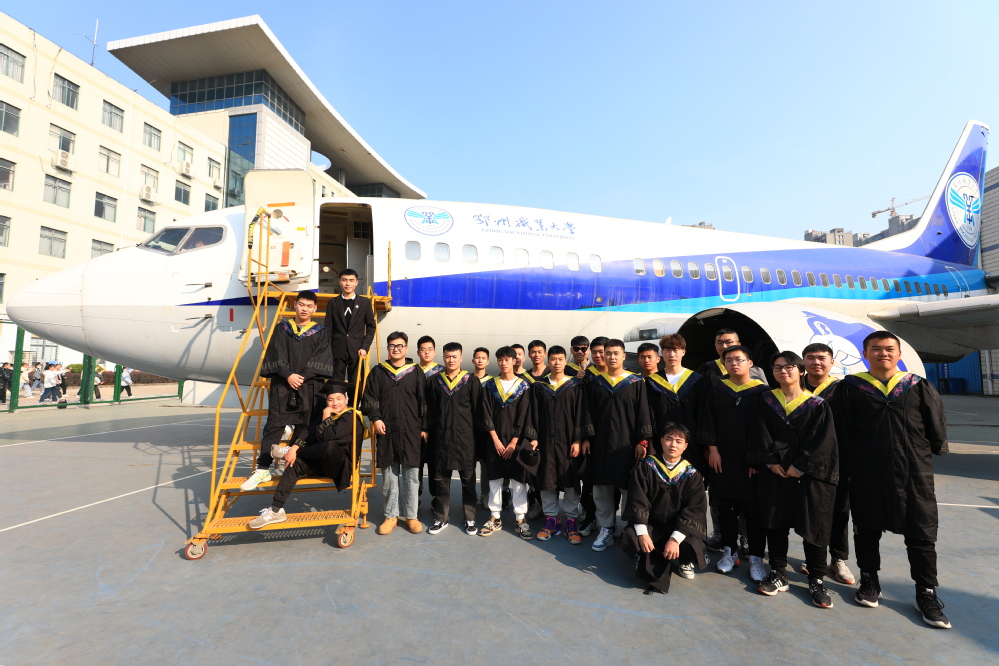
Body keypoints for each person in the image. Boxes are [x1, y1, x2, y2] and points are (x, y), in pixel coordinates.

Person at [833, 331, 952, 629]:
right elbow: (841, 431)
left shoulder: (918, 386)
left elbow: (935, 426)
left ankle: (926, 592)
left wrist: (936, 447)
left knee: (921, 531)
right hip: (867, 469)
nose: (883, 353)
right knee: (866, 527)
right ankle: (869, 580)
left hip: (913, 472)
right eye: (876, 349)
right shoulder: (850, 388)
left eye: (889, 349)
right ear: (865, 354)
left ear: (899, 354)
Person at [748, 351, 839, 608]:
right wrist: (770, 462)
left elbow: (823, 441)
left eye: (789, 367)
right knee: (775, 522)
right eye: (777, 367)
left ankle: (817, 579)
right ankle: (779, 573)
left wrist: (800, 466)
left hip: (807, 477)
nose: (783, 371)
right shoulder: (765, 401)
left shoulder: (817, 405)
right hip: (775, 473)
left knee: (814, 525)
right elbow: (759, 433)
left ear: (801, 371)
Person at [240, 291, 334, 491]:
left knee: (305, 426)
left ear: (315, 309)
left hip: (309, 386)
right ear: (295, 305)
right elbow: (276, 353)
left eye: (309, 306)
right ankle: (262, 468)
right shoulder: (282, 328)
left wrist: (303, 376)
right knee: (274, 425)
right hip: (283, 385)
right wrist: (288, 375)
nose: (305, 309)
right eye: (301, 304)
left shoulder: (320, 332)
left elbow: (321, 358)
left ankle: (296, 466)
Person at [249, 384, 366, 528]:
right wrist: (294, 448)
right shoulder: (328, 414)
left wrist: (326, 414)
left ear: (346, 400)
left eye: (339, 398)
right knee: (294, 463)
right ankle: (276, 509)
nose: (335, 403)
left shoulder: (352, 417)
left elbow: (328, 436)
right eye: (330, 400)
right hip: (322, 464)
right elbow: (308, 432)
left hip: (340, 467)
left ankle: (287, 452)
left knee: (329, 446)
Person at [699, 345, 770, 581]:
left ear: (750, 363)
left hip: (751, 463)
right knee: (725, 508)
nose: (734, 364)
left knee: (753, 512)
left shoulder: (763, 392)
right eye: (728, 361)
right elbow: (708, 421)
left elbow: (765, 430)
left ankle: (756, 557)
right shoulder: (718, 390)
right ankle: (729, 551)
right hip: (723, 459)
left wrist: (756, 459)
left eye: (739, 359)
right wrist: (712, 450)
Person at [619, 423, 708, 594]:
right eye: (669, 439)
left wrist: (675, 539)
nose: (673, 445)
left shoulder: (692, 474)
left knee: (693, 543)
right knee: (632, 535)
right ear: (661, 441)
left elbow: (694, 510)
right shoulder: (646, 466)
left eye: (678, 441)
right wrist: (643, 534)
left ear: (685, 446)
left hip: (678, 526)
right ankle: (642, 554)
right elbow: (638, 500)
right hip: (652, 524)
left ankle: (685, 560)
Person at [584, 338, 653, 552]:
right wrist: (586, 437)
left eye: (616, 353)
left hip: (627, 445)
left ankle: (629, 529)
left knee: (629, 489)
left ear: (624, 356)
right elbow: (587, 413)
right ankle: (606, 528)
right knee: (601, 489)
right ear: (603, 356)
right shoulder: (596, 383)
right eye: (608, 353)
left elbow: (643, 414)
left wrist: (642, 441)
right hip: (600, 444)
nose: (612, 357)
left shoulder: (635, 382)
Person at [525, 345, 593, 544]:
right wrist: (534, 437)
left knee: (571, 481)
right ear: (548, 361)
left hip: (569, 443)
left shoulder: (575, 386)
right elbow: (533, 414)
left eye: (560, 359)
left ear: (566, 361)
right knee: (546, 480)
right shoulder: (539, 387)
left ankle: (570, 520)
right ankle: (551, 519)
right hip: (546, 442)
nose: (557, 363)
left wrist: (578, 440)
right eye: (553, 359)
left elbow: (581, 414)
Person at [800, 342, 855, 585]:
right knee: (810, 511)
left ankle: (838, 558)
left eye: (822, 358)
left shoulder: (843, 389)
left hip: (838, 459)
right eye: (810, 357)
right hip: (803, 461)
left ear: (832, 362)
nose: (816, 362)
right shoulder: (794, 387)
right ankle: (813, 557)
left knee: (840, 509)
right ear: (803, 362)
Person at [363, 331, 428, 536]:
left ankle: (411, 516)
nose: (396, 349)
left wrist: (424, 427)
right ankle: (391, 516)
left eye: (400, 346)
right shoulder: (378, 371)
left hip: (411, 430)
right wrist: (376, 418)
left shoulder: (416, 372)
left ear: (406, 348)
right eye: (392, 346)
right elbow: (370, 397)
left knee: (411, 476)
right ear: (388, 348)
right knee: (389, 477)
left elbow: (424, 401)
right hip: (387, 429)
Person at [426, 342, 483, 536]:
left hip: (465, 439)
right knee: (441, 482)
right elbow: (430, 411)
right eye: (448, 356)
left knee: (468, 482)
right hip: (442, 439)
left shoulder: (471, 381)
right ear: (443, 358)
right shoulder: (435, 381)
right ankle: (441, 518)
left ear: (461, 358)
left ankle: (470, 518)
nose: (451, 360)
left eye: (454, 356)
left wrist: (477, 439)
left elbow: (478, 412)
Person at [479, 346, 533, 539]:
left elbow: (524, 415)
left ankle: (520, 519)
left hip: (516, 442)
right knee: (494, 479)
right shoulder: (490, 386)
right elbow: (486, 414)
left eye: (507, 359)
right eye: (500, 360)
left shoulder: (524, 386)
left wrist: (514, 442)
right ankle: (495, 517)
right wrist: (495, 439)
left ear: (514, 361)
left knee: (519, 481)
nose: (503, 363)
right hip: (495, 441)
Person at [577, 335, 610, 536]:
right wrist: (586, 437)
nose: (598, 356)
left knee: (612, 483)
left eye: (602, 352)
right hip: (592, 437)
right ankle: (590, 517)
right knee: (590, 481)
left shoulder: (625, 378)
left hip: (614, 437)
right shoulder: (586, 376)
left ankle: (609, 523)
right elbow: (583, 409)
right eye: (595, 352)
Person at [325, 268, 375, 384]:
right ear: (339, 281)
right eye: (344, 280)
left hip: (357, 350)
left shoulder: (364, 302)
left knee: (356, 383)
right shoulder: (333, 303)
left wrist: (364, 347)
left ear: (356, 282)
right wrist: (328, 350)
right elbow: (328, 328)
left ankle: (355, 398)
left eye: (351, 280)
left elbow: (371, 327)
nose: (348, 283)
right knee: (336, 383)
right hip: (337, 349)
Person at [696, 328, 768, 385]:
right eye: (719, 343)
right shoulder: (705, 369)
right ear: (715, 345)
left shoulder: (756, 371)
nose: (724, 346)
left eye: (729, 342)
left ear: (738, 344)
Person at [471, 347, 493, 506]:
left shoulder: (492, 382)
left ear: (488, 362)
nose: (480, 360)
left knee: (486, 465)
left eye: (483, 358)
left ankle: (485, 494)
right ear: (473, 360)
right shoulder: (466, 380)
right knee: (469, 465)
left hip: (486, 430)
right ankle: (470, 496)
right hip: (469, 429)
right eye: (477, 357)